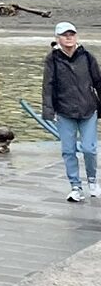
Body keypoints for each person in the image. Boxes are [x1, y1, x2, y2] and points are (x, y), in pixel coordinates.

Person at [43, 21, 101, 202]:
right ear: (57, 38)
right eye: (64, 34)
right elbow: (48, 86)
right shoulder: (52, 59)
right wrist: (48, 111)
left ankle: (92, 181)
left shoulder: (87, 57)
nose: (69, 37)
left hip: (88, 110)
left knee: (89, 149)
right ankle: (75, 186)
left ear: (76, 36)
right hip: (64, 112)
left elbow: (98, 82)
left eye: (72, 34)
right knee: (68, 150)